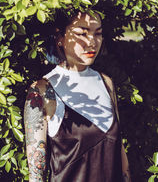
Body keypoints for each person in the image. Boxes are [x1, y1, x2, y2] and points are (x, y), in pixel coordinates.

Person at [24, 10, 131, 182]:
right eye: (82, 33)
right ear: (60, 37)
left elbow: (119, 150)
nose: (91, 42)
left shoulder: (106, 83)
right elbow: (36, 174)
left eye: (98, 34)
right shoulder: (41, 91)